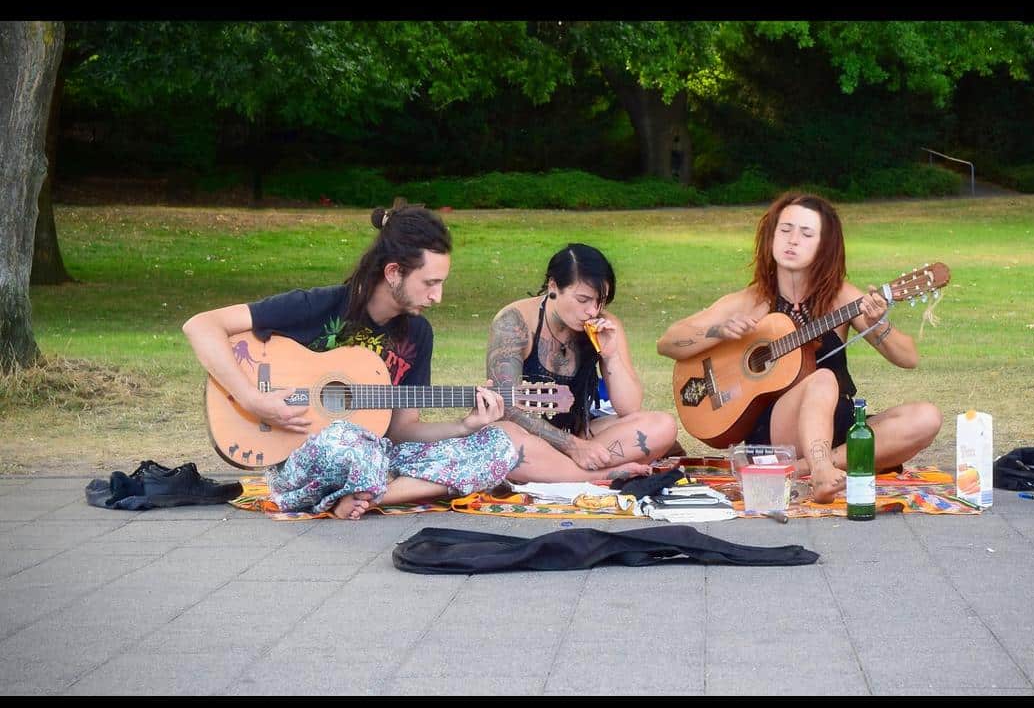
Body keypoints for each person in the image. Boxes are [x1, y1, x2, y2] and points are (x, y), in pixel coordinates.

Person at [182, 206, 518, 519]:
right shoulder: (318, 305)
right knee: (346, 439)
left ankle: (369, 496)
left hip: (375, 454)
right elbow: (200, 325)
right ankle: (369, 488)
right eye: (430, 283)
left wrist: (465, 426)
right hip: (306, 460)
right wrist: (253, 399)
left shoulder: (418, 333)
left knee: (499, 445)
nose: (437, 297)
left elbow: (401, 431)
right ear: (393, 272)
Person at [656, 192, 941, 502]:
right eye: (785, 229)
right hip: (778, 432)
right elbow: (668, 342)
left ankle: (805, 468)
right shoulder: (751, 301)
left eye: (806, 234)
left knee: (926, 417)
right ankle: (821, 472)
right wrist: (717, 331)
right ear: (771, 236)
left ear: (824, 246)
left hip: (836, 425)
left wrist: (879, 321)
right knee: (821, 378)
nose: (793, 240)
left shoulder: (842, 297)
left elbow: (908, 358)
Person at [485, 243, 679, 482]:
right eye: (583, 299)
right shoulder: (514, 322)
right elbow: (506, 408)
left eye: (601, 301)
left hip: (580, 434)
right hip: (528, 437)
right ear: (553, 287)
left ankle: (559, 473)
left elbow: (629, 409)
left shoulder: (605, 325)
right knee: (503, 439)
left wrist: (611, 355)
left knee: (663, 425)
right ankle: (596, 475)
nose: (592, 311)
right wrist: (572, 446)